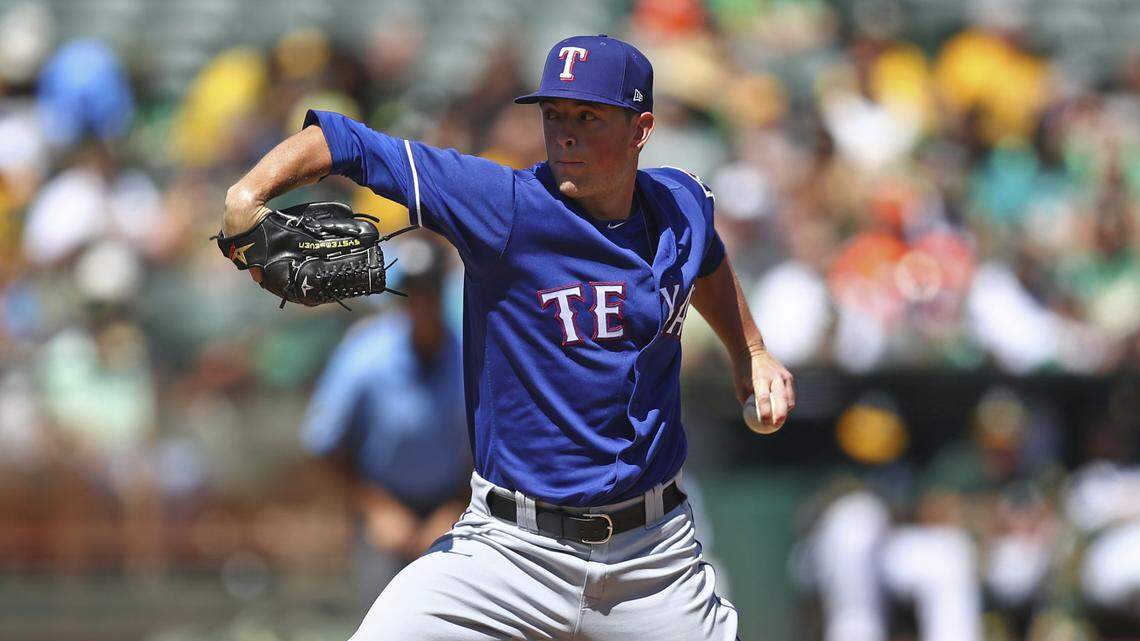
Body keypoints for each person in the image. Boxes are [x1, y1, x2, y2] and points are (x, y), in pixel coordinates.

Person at [221, 34, 794, 641]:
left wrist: (750, 350)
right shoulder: (504, 205)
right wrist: (246, 195)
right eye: (554, 115)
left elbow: (705, 257)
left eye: (588, 117)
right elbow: (345, 142)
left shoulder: (682, 202)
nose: (564, 134)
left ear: (641, 129)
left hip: (653, 560)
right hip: (510, 551)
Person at [300, 237, 470, 606]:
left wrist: (457, 505)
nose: (420, 303)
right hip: (382, 509)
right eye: (411, 293)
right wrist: (377, 508)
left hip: (453, 511)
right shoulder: (366, 352)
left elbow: (491, 444)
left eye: (428, 291)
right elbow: (323, 442)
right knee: (381, 615)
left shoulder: (466, 353)